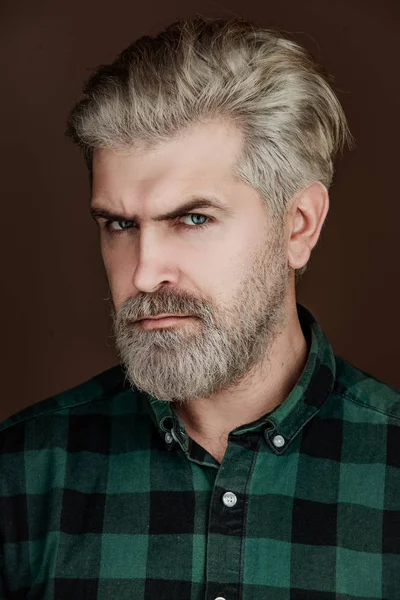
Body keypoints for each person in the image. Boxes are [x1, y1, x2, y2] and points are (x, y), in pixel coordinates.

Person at [1, 16, 399, 600]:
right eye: (118, 224)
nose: (142, 272)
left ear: (299, 225)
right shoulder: (22, 475)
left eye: (192, 219)